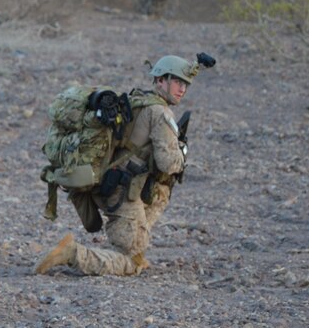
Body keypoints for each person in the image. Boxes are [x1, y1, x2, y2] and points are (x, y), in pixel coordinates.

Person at [35, 55, 195, 276]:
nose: (182, 89)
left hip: (109, 183)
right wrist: (181, 155)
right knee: (131, 264)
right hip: (123, 193)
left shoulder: (136, 100)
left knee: (138, 246)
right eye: (177, 82)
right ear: (160, 80)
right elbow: (168, 164)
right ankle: (73, 254)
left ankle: (132, 248)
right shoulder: (160, 113)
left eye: (185, 84)